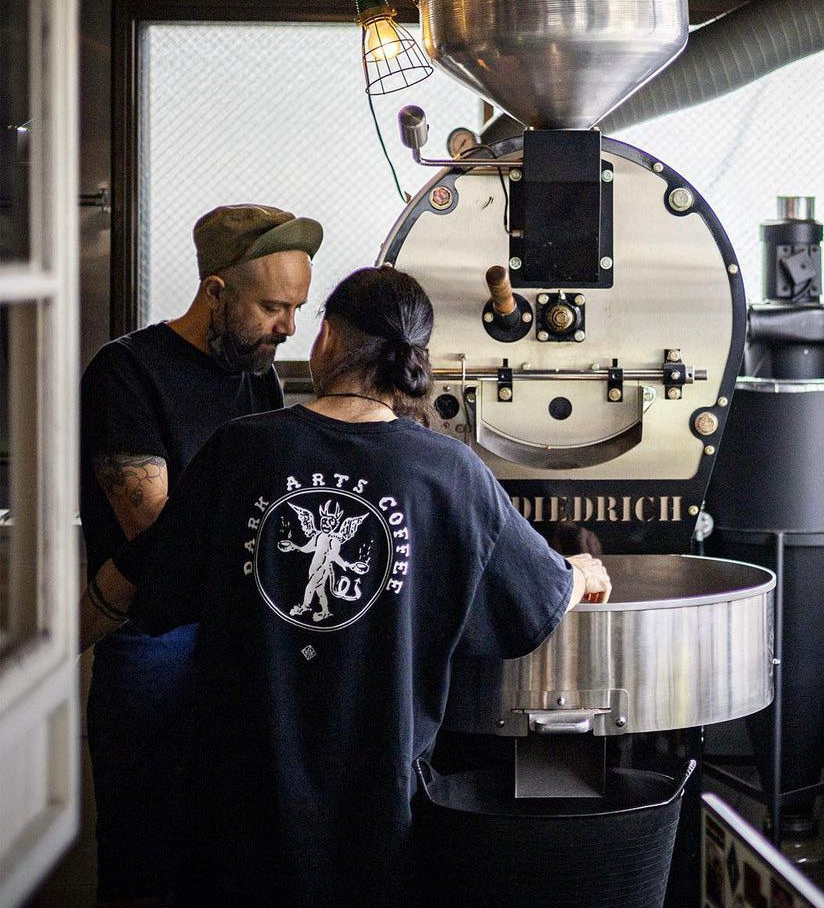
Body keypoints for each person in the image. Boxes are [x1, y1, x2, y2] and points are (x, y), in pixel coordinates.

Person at [83, 264, 611, 908]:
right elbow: (537, 599)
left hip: (239, 816)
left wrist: (40, 649)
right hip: (378, 818)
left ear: (328, 338)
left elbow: (145, 582)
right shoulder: (451, 472)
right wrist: (579, 573)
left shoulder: (240, 450)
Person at [78, 203, 324, 907]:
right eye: (273, 308)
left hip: (237, 635)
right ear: (215, 292)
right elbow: (158, 535)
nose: (289, 328)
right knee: (145, 865)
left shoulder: (257, 375)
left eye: (297, 308)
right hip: (154, 642)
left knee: (228, 863)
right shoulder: (128, 371)